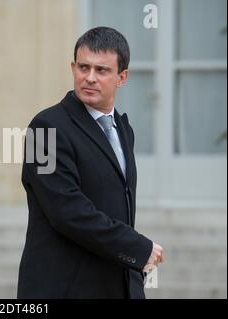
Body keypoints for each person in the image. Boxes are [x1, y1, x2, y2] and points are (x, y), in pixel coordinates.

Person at [17, 26, 163, 299]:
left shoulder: (122, 128)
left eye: (102, 70)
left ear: (122, 77)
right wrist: (136, 247)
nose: (90, 78)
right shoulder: (44, 129)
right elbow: (67, 211)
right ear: (73, 67)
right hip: (64, 288)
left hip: (118, 286)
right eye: (84, 67)